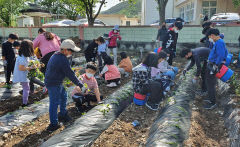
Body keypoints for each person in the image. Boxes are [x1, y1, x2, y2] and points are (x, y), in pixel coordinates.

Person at [44, 39, 83, 131]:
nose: (72, 53)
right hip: (53, 83)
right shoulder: (61, 58)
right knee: (54, 103)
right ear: (65, 50)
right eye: (71, 51)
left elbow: (66, 70)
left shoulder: (57, 54)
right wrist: (79, 84)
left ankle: (63, 114)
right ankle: (53, 124)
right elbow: (69, 73)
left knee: (64, 96)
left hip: (56, 81)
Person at [204, 28, 228, 110]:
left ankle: (213, 103)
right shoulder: (218, 42)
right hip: (212, 64)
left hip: (214, 65)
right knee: (208, 80)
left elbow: (221, 55)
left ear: (212, 35)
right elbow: (226, 52)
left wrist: (216, 65)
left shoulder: (219, 43)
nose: (210, 38)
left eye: (209, 36)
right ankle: (210, 98)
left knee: (210, 83)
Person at [12, 40, 35, 107]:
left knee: (26, 88)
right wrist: (30, 68)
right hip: (22, 75)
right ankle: (25, 103)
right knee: (26, 88)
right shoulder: (22, 57)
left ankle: (25, 101)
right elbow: (21, 68)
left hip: (23, 74)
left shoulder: (24, 55)